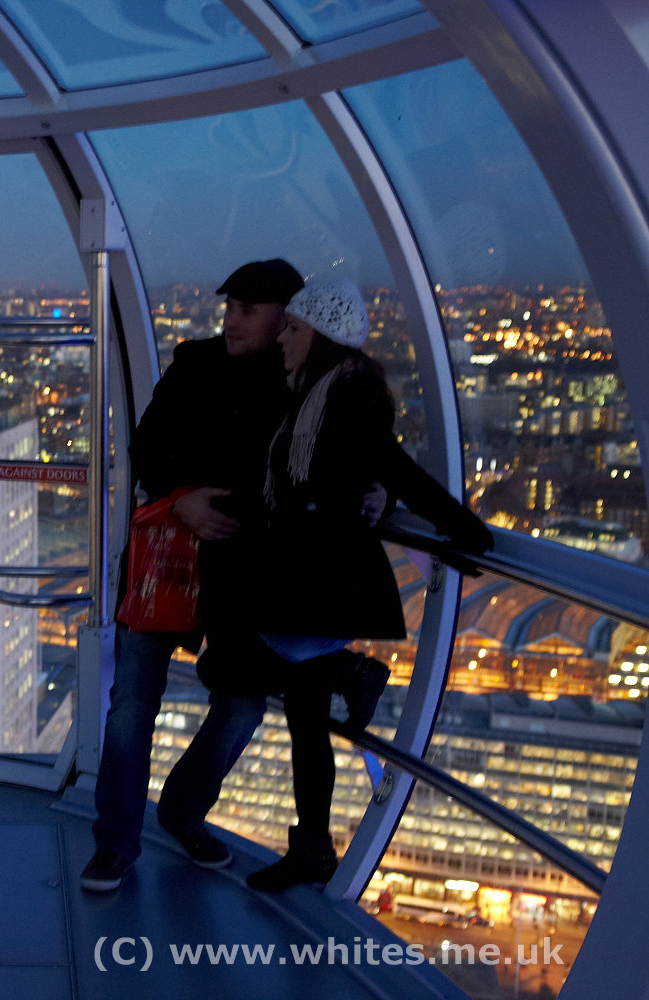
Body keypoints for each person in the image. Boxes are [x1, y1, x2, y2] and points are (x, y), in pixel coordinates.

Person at [198, 277, 493, 893]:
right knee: (304, 720)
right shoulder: (315, 392)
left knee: (239, 666)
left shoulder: (350, 393)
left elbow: (391, 466)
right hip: (306, 578)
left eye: (294, 328)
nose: (283, 338)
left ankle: (350, 676)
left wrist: (462, 530)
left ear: (324, 335)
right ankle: (312, 844)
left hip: (319, 584)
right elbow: (339, 475)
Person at [80, 260, 305, 893]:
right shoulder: (195, 364)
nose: (231, 320)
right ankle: (115, 844)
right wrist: (183, 499)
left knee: (241, 707)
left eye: (247, 311)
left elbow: (333, 457)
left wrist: (375, 492)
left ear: (285, 317)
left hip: (244, 571)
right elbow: (146, 447)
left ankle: (180, 810)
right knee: (131, 706)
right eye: (230, 308)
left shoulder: (302, 381)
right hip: (167, 561)